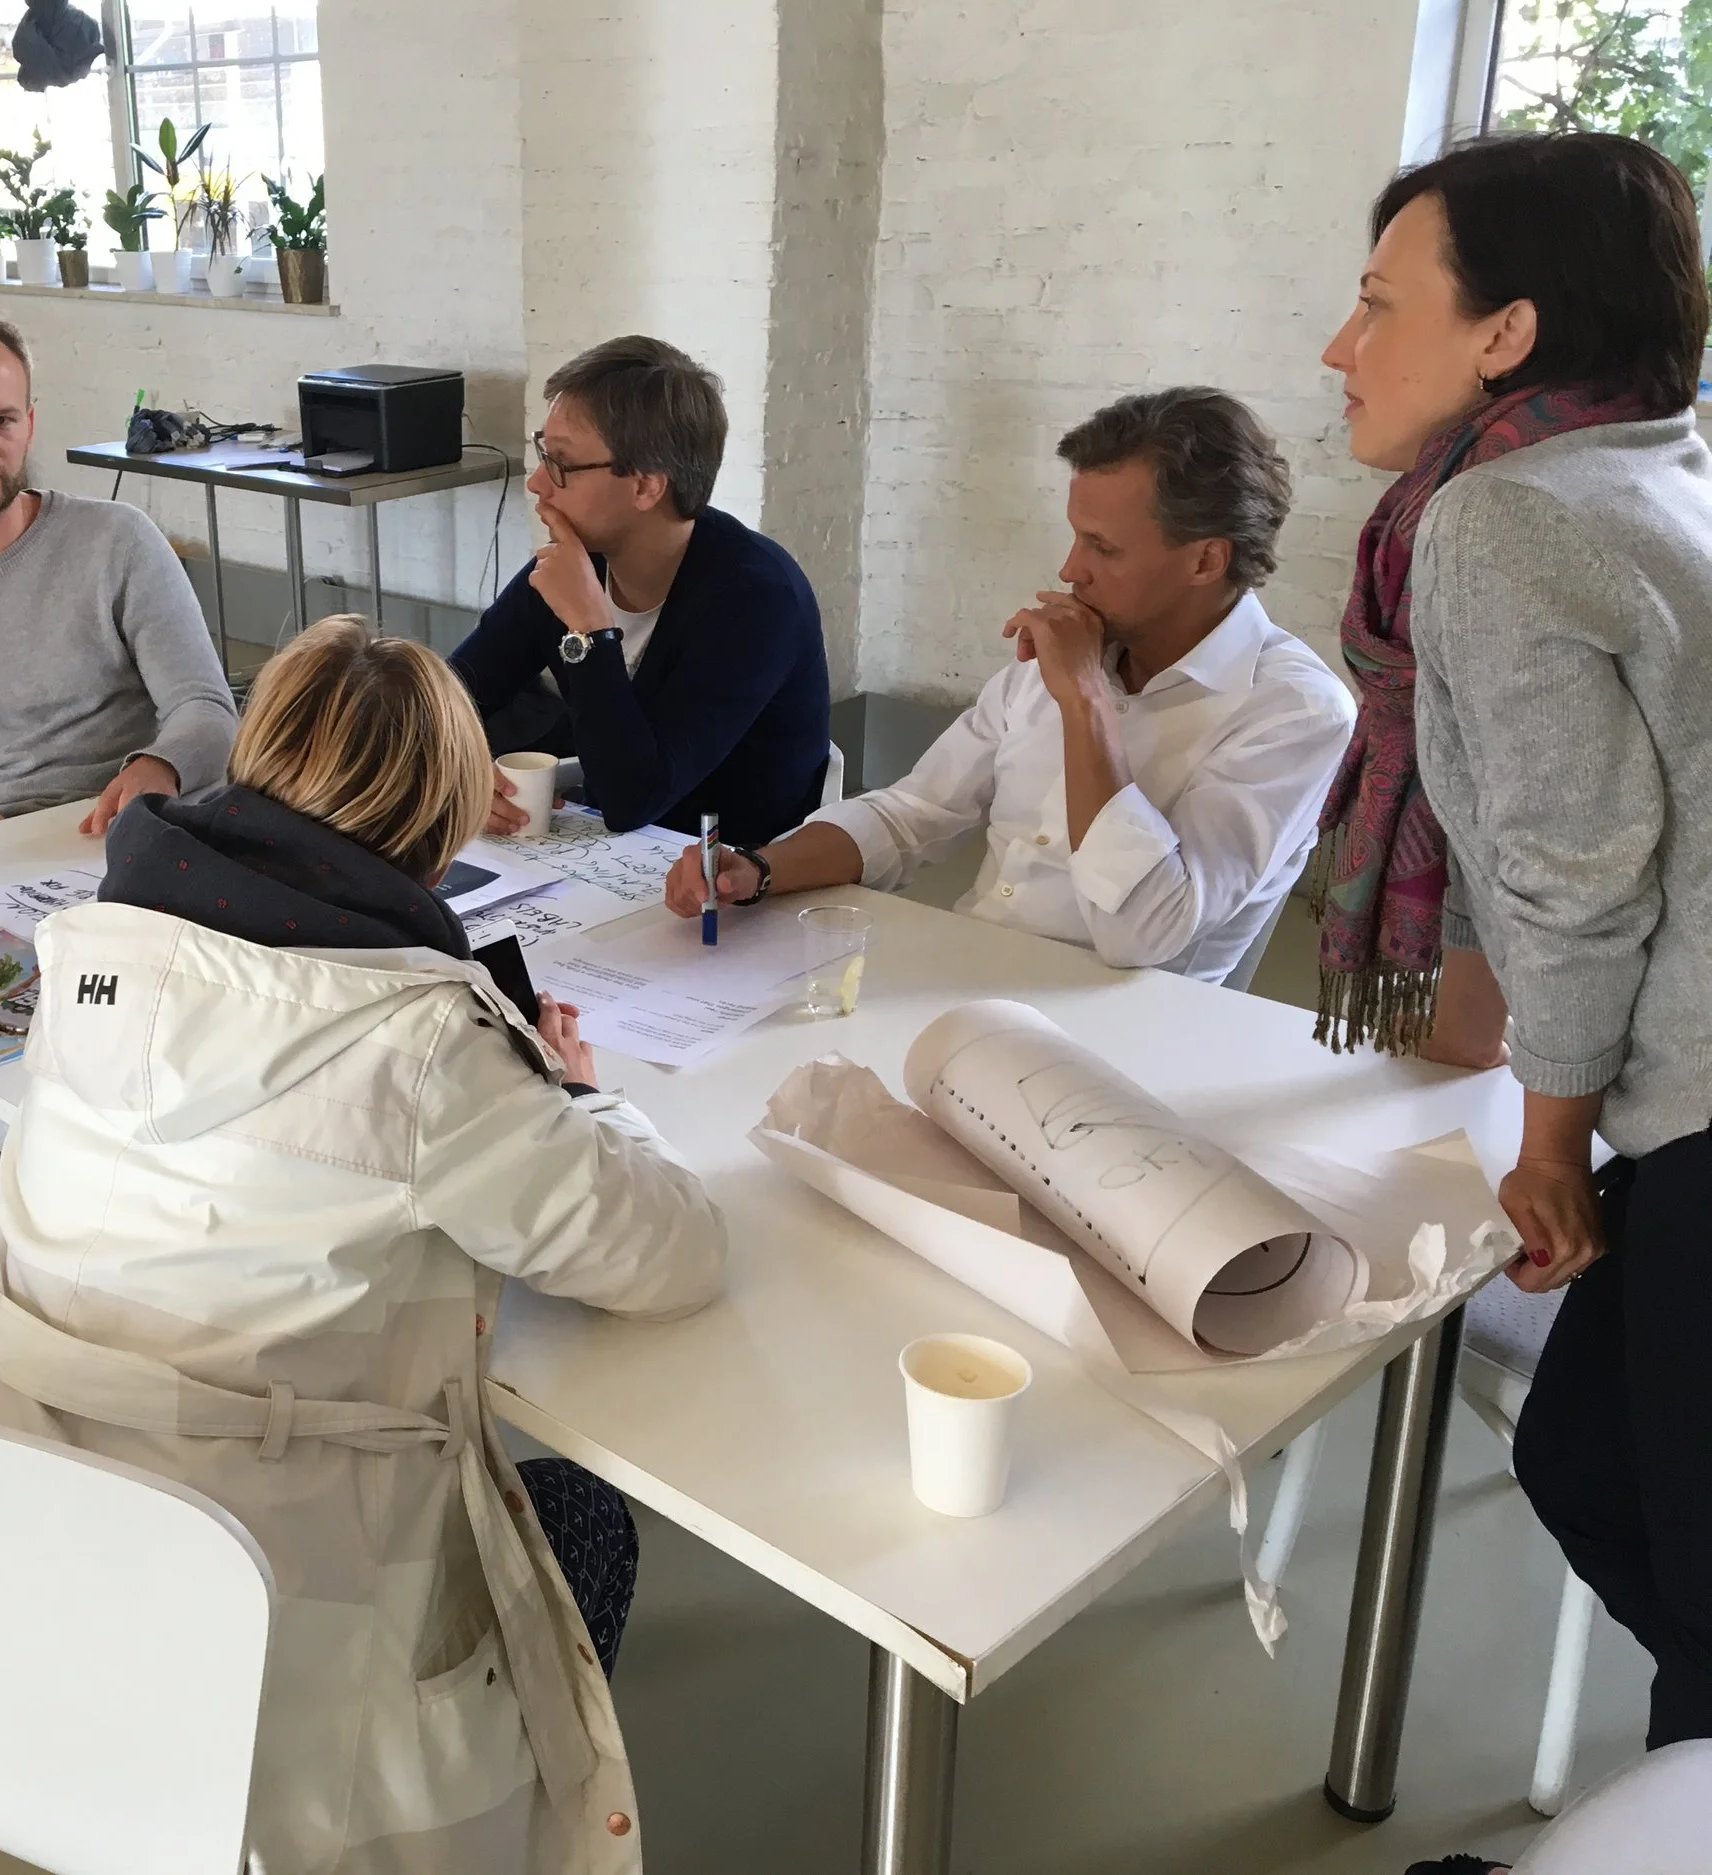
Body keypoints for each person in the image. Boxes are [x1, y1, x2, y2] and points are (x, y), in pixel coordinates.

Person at [0, 616, 727, 1873]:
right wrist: (578, 1096)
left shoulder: (88, 951)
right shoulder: (426, 1050)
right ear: (442, 832)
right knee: (585, 1520)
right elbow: (674, 1254)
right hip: (271, 1638)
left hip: (47, 1569)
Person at [1312, 133, 1712, 1803]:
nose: (1339, 346)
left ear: (1507, 335)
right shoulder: (1657, 464)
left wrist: (1545, 1153)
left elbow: (1572, 879)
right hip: (1674, 1095)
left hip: (1696, 1106)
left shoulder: (1493, 523)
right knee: (1586, 1452)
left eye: (1377, 302)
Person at [665, 388, 1356, 984]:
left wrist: (1085, 701)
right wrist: (757, 869)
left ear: (1206, 558)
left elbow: (1144, 932)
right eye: (1074, 536)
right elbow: (913, 815)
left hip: (1128, 1045)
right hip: (967, 989)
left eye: (1103, 546)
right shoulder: (1070, 646)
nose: (1070, 567)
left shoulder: (1294, 709)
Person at [448, 335, 831, 846]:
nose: (538, 482)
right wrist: (462, 777)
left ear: (647, 486)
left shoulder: (757, 599)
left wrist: (590, 629)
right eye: (543, 452)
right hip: (605, 863)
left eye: (561, 462)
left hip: (732, 883)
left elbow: (634, 799)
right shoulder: (580, 561)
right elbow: (446, 699)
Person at [0, 304, 236, 828]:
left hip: (124, 829)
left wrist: (163, 765)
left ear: (28, 424)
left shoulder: (117, 539)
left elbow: (207, 706)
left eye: (2, 420)